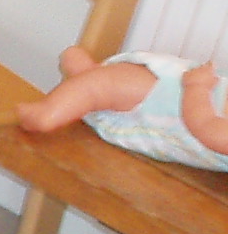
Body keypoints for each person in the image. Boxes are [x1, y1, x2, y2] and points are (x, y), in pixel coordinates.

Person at [16, 45, 228, 174]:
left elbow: (204, 125)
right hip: (172, 88)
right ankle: (87, 75)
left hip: (163, 107)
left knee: (106, 87)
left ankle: (50, 112)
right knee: (107, 84)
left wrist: (197, 86)